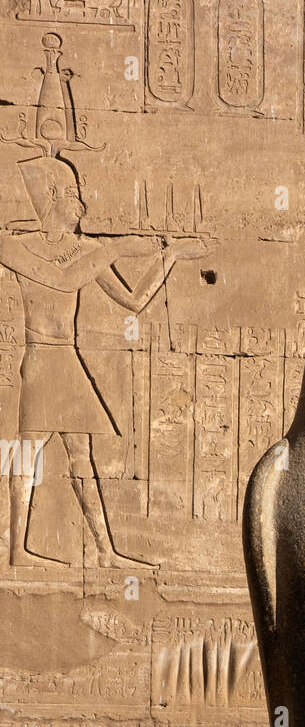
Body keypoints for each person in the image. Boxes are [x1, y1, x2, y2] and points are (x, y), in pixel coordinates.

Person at [0, 153, 206, 567]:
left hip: (67, 360)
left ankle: (104, 552)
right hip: (41, 359)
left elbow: (131, 302)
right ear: (51, 197)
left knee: (81, 456)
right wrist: (114, 248)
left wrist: (168, 258)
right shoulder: (17, 246)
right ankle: (18, 551)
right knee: (28, 452)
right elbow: (62, 278)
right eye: (73, 194)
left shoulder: (84, 249)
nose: (82, 206)